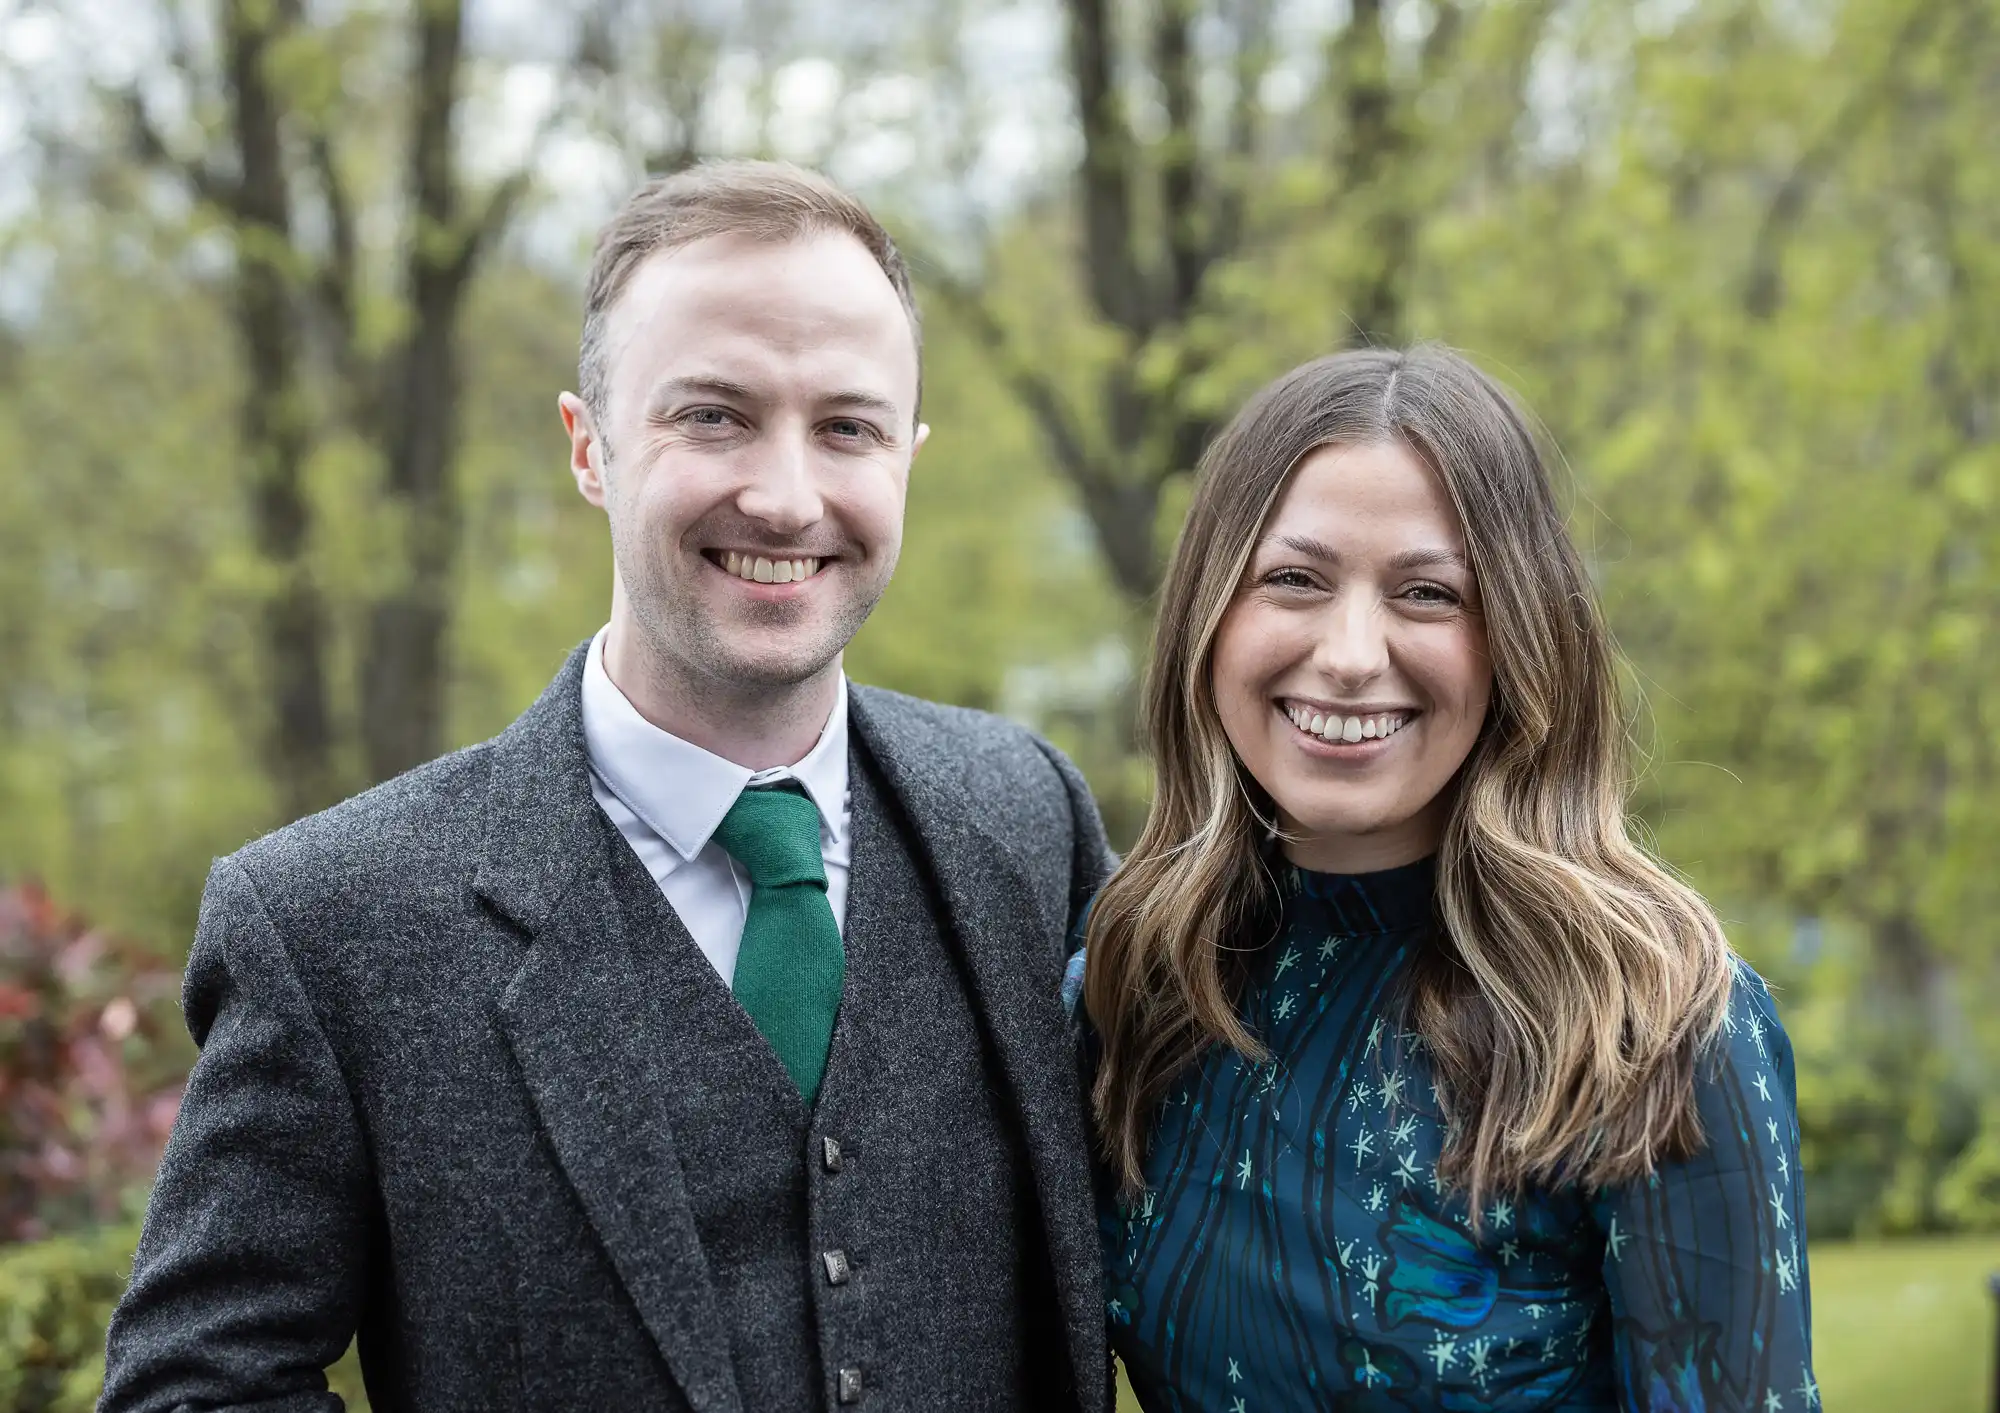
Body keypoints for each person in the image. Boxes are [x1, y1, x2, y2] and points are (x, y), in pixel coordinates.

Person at [100, 162, 1116, 1413]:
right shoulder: (329, 924)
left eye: (844, 427)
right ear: (589, 446)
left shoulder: (1024, 813)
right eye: (713, 417)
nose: (786, 495)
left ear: (906, 458)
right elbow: (195, 1387)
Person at [1074, 346, 1816, 1410]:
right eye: (1293, 578)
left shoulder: (1650, 1028)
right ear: (1206, 613)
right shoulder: (1130, 995)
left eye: (1426, 593)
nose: (1347, 653)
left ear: (1517, 635)